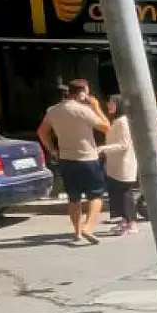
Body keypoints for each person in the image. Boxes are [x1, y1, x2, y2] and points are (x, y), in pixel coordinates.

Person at [37, 80, 110, 245]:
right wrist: (96, 106)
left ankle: (77, 232)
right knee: (96, 196)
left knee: (73, 198)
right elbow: (106, 127)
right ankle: (88, 228)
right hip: (88, 158)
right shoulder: (83, 110)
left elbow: (41, 132)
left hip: (66, 159)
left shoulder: (53, 110)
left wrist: (52, 149)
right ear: (82, 92)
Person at [97, 95, 139, 235]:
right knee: (117, 194)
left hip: (123, 163)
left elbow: (124, 144)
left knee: (125, 194)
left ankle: (132, 223)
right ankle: (124, 221)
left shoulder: (123, 121)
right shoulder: (116, 121)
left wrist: (104, 148)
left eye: (112, 103)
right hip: (114, 164)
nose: (109, 105)